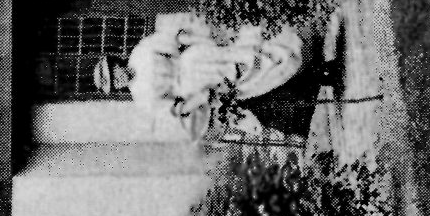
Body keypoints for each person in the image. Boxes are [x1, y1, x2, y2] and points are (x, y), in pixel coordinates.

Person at [102, 12, 327, 142]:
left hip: (196, 57)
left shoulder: (141, 52)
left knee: (245, 57)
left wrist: (206, 41)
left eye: (114, 73)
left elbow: (176, 41)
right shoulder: (142, 98)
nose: (118, 79)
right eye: (114, 83)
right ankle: (303, 74)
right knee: (245, 83)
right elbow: (176, 109)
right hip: (195, 86)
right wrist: (200, 98)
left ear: (116, 63)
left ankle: (291, 57)